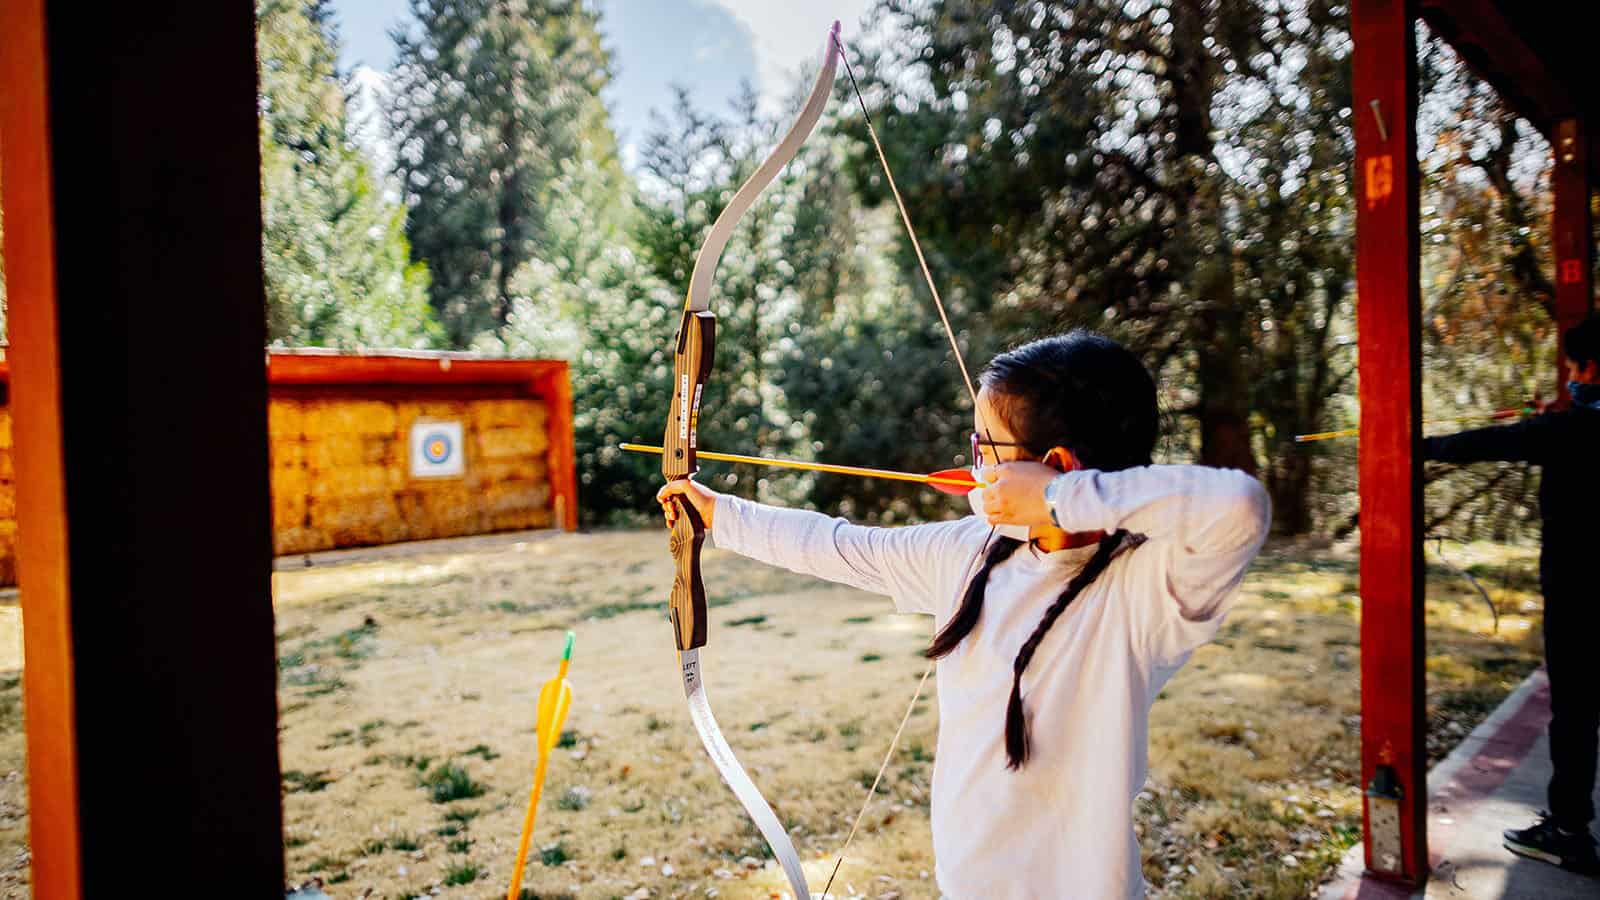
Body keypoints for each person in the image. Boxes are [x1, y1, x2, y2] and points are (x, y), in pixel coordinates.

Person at [657, 331, 1270, 898]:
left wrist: (1059, 501)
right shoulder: (969, 553)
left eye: (985, 448)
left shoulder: (1144, 592)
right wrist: (718, 514)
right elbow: (842, 545)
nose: (974, 464)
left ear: (1054, 464)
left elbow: (1240, 507)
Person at [1423, 315, 1600, 875]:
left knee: (1575, 711)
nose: (1571, 377)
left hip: (1579, 596)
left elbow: (1490, 442)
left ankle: (1569, 831)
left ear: (1590, 368)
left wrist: (1417, 444)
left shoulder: (1569, 431)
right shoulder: (1569, 427)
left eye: (1574, 367)